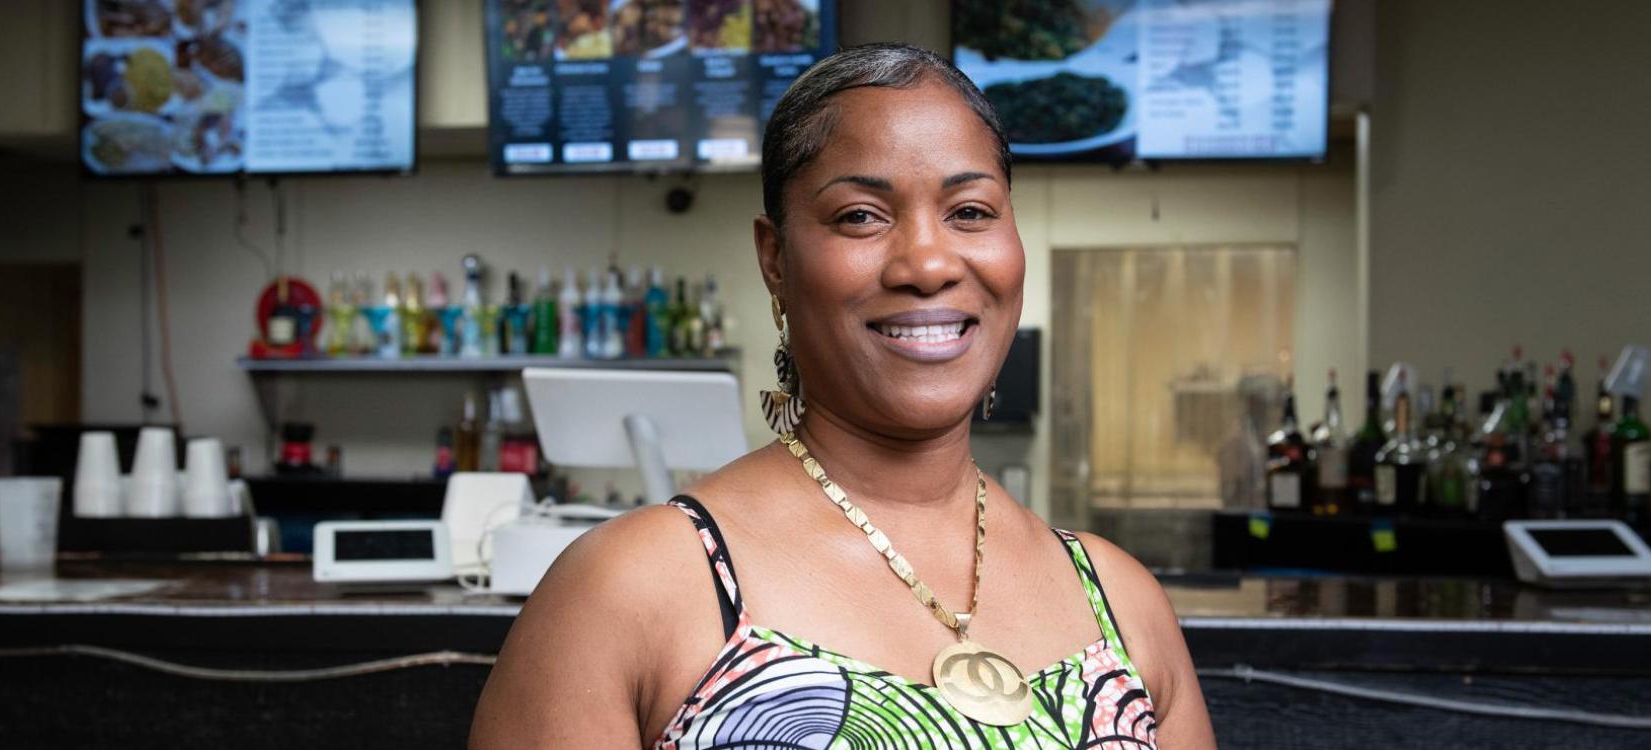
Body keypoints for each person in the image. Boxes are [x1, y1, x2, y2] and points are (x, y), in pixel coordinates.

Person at [472, 43, 1215, 749]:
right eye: (861, 215)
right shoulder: (629, 587)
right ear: (775, 258)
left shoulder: (1121, 602)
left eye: (971, 212)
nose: (927, 263)